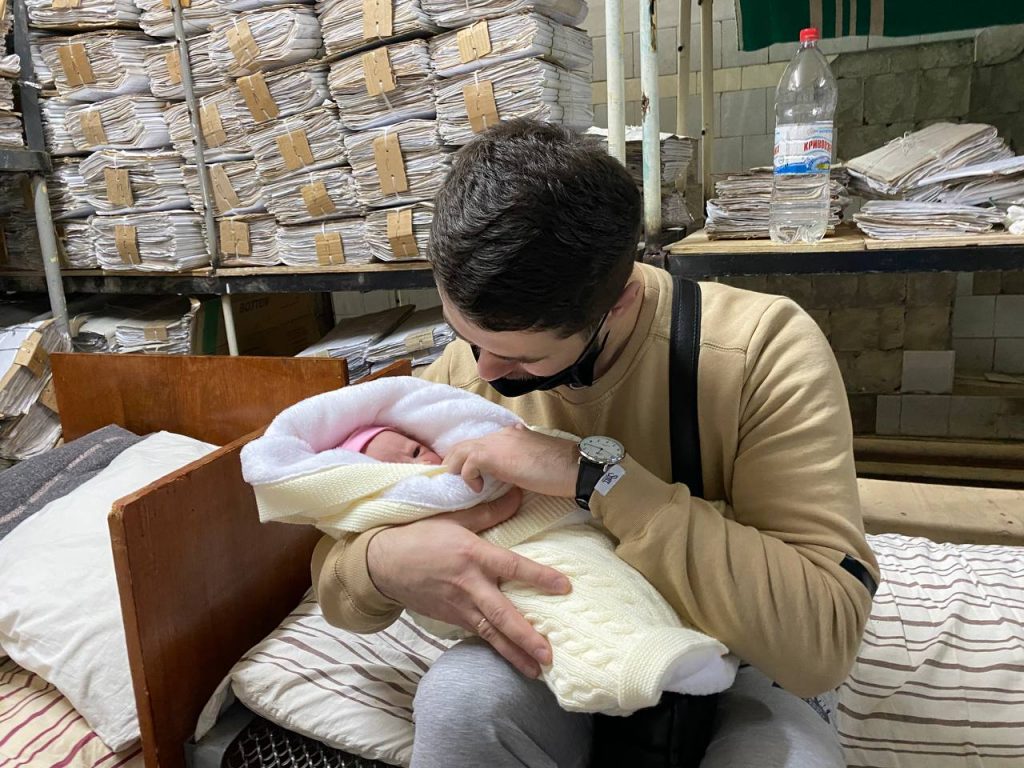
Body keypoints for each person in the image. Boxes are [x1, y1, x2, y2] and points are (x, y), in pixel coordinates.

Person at [311, 118, 879, 768]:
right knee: (461, 701)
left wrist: (597, 479)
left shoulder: (760, 351)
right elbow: (336, 568)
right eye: (464, 337)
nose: (484, 372)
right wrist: (380, 563)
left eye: (521, 357)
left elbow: (822, 639)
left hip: (742, 662)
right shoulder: (463, 377)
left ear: (620, 306)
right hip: (565, 641)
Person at [243, 376, 738, 717]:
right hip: (510, 584)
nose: (488, 367)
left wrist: (588, 474)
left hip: (621, 550)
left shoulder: (740, 356)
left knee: (603, 580)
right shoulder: (453, 379)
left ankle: (667, 651)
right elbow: (334, 582)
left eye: (415, 451)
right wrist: (380, 559)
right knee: (518, 645)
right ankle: (636, 664)